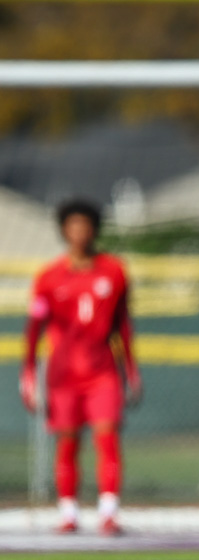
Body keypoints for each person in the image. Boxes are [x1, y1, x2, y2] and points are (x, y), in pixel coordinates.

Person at [19, 198, 141, 536]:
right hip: (63, 374)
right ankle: (69, 512)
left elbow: (123, 324)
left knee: (107, 436)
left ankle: (108, 512)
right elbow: (34, 329)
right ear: (63, 231)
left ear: (95, 230)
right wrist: (28, 373)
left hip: (102, 370)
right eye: (72, 226)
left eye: (85, 225)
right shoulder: (49, 277)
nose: (79, 232)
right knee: (68, 442)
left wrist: (131, 370)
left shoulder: (114, 271)